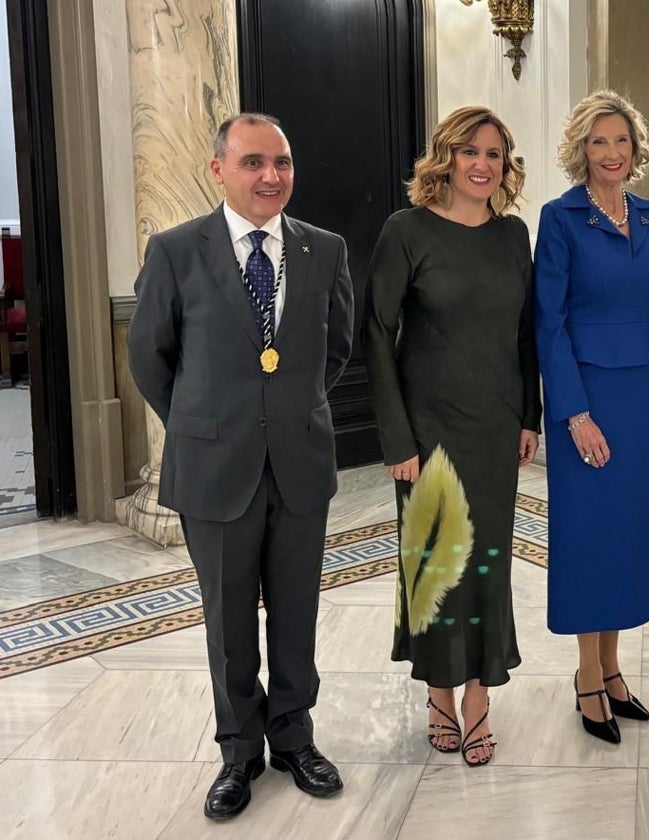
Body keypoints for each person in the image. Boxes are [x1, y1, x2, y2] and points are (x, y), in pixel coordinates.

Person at [127, 112, 354, 819]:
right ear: (219, 169)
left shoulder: (324, 250)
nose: (270, 176)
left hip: (299, 464)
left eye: (281, 163)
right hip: (213, 468)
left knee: (296, 614)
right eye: (253, 162)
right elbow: (149, 358)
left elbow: (336, 348)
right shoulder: (175, 251)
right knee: (227, 622)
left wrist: (290, 411)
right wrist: (206, 425)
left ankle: (294, 738)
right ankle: (238, 753)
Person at [362, 106, 541, 767]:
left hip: (495, 427)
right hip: (427, 429)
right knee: (438, 561)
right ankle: (439, 689)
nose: (481, 164)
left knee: (488, 562)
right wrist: (396, 438)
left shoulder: (513, 235)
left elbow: (526, 334)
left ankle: (479, 695)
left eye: (494, 154)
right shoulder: (405, 231)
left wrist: (530, 417)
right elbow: (377, 334)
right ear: (446, 158)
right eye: (469, 151)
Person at [534, 90, 649, 744]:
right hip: (588, 396)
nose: (611, 153)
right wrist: (573, 413)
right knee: (590, 535)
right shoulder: (560, 219)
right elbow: (548, 323)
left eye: (620, 141)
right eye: (598, 142)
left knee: (630, 535)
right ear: (581, 151)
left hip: (644, 392)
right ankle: (587, 676)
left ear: (634, 148)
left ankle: (615, 670)